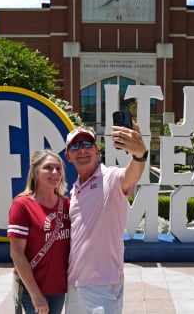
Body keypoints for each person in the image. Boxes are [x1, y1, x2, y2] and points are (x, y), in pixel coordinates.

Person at [64, 123, 148, 314]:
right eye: (75, 146)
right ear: (68, 156)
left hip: (103, 285)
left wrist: (139, 155)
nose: (82, 149)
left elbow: (130, 175)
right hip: (74, 283)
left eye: (87, 144)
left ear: (96, 149)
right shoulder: (74, 190)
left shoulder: (110, 178)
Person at [8, 149, 71, 314]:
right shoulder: (22, 205)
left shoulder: (67, 204)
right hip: (33, 289)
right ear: (35, 172)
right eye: (48, 168)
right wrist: (35, 294)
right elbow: (17, 254)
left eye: (58, 169)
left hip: (59, 287)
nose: (55, 172)